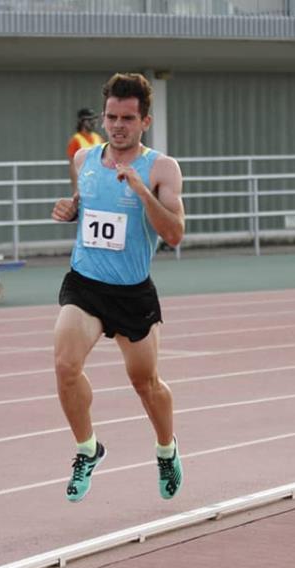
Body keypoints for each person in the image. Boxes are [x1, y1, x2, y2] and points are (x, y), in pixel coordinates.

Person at [50, 73, 185, 503]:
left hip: (132, 291)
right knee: (65, 365)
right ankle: (88, 449)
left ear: (145, 120)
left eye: (128, 118)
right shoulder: (84, 160)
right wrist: (70, 210)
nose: (117, 125)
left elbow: (176, 233)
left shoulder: (162, 167)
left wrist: (143, 191)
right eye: (111, 117)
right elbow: (85, 206)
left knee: (145, 383)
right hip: (85, 283)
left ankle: (166, 449)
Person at [67, 107, 104, 192]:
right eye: (89, 120)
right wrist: (76, 188)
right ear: (82, 122)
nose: (93, 122)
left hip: (98, 182)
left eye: (94, 119)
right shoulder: (76, 140)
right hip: (84, 183)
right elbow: (72, 166)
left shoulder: (98, 138)